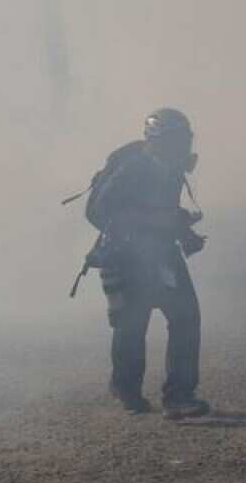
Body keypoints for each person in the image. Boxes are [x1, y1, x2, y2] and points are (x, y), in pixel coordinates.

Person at [89, 108, 210, 420]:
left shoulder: (169, 167)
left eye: (185, 138)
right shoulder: (133, 167)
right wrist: (152, 223)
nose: (183, 146)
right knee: (132, 325)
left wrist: (183, 231)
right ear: (157, 140)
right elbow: (102, 211)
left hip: (162, 255)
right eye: (176, 139)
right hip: (129, 257)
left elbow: (164, 211)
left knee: (185, 318)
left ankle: (178, 396)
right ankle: (127, 389)